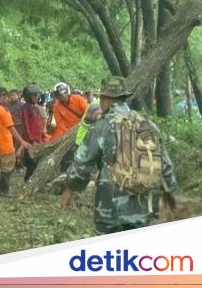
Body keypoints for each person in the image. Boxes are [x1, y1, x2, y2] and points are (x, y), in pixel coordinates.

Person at [60, 76, 178, 235]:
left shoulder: (101, 126)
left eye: (101, 98)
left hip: (110, 207)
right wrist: (170, 195)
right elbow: (165, 165)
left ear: (107, 99)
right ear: (124, 98)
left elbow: (82, 164)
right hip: (146, 206)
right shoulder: (148, 124)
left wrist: (67, 194)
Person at [0, 87, 31, 196]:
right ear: (1, 96)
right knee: (8, 166)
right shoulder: (4, 110)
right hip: (5, 143)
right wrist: (22, 141)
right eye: (5, 96)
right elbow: (11, 128)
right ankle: (4, 191)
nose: (7, 98)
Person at [20, 84, 47, 182]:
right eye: (34, 96)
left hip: (38, 139)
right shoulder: (25, 108)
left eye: (37, 95)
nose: (37, 97)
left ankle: (31, 180)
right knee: (31, 162)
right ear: (28, 96)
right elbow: (26, 126)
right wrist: (31, 141)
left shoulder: (35, 108)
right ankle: (27, 180)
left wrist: (42, 137)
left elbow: (39, 124)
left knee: (37, 161)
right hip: (31, 141)